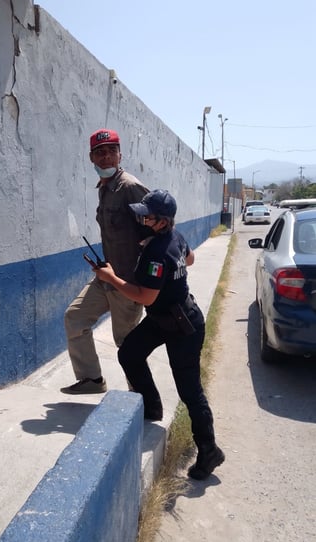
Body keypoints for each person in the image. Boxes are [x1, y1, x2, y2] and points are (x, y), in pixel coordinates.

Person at [94, 189, 225, 480]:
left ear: (161, 220)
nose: (140, 217)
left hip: (182, 326)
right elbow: (189, 260)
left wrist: (110, 277)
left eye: (146, 215)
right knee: (129, 353)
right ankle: (151, 406)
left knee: (190, 390)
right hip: (164, 318)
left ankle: (210, 450)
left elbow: (145, 297)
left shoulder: (157, 251)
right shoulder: (173, 237)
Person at [61, 129, 149, 395]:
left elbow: (159, 228)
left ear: (120, 154)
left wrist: (148, 280)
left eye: (112, 151)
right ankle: (91, 380)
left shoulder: (130, 187)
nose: (106, 157)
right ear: (91, 158)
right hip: (106, 276)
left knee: (126, 343)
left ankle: (140, 397)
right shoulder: (105, 189)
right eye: (100, 152)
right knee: (75, 318)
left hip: (126, 282)